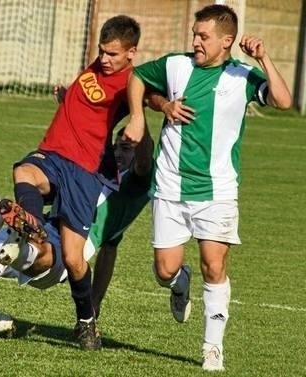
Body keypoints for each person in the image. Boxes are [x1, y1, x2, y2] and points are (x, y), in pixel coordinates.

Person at [123, 4, 291, 372]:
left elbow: (283, 100)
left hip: (217, 192)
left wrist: (264, 59)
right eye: (195, 34)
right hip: (170, 187)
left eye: (204, 36)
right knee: (164, 270)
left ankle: (211, 348)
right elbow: (136, 78)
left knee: (214, 266)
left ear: (226, 41)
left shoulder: (242, 75)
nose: (195, 41)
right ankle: (180, 283)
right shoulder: (176, 66)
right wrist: (155, 108)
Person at [0, 126, 153, 339]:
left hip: (62, 249)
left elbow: (143, 163)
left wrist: (138, 114)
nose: (117, 153)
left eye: (125, 148)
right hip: (35, 226)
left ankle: (23, 244)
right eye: (115, 148)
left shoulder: (134, 188)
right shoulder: (92, 175)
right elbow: (110, 251)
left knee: (38, 245)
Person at [0, 15, 141, 350]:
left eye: (112, 55)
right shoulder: (100, 65)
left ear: (131, 53)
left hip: (85, 171)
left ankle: (86, 322)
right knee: (25, 172)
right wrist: (69, 97)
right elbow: (90, 102)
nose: (104, 59)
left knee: (75, 260)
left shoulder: (132, 82)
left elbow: (152, 101)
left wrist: (162, 108)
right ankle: (31, 225)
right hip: (54, 153)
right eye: (101, 52)